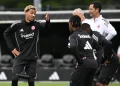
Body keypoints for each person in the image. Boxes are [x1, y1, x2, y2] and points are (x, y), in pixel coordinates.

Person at [3, 5, 50, 86]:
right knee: (14, 78)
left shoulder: (37, 24)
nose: (33, 15)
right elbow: (5, 33)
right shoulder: (17, 24)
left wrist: (47, 21)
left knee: (31, 81)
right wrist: (12, 49)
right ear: (26, 12)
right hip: (20, 56)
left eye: (35, 14)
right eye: (31, 13)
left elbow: (46, 28)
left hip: (32, 57)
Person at [68, 15, 103, 86]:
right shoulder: (88, 35)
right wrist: (97, 62)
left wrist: (79, 61)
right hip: (93, 64)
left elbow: (73, 46)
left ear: (71, 23)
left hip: (83, 63)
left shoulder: (73, 36)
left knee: (73, 84)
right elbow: (100, 48)